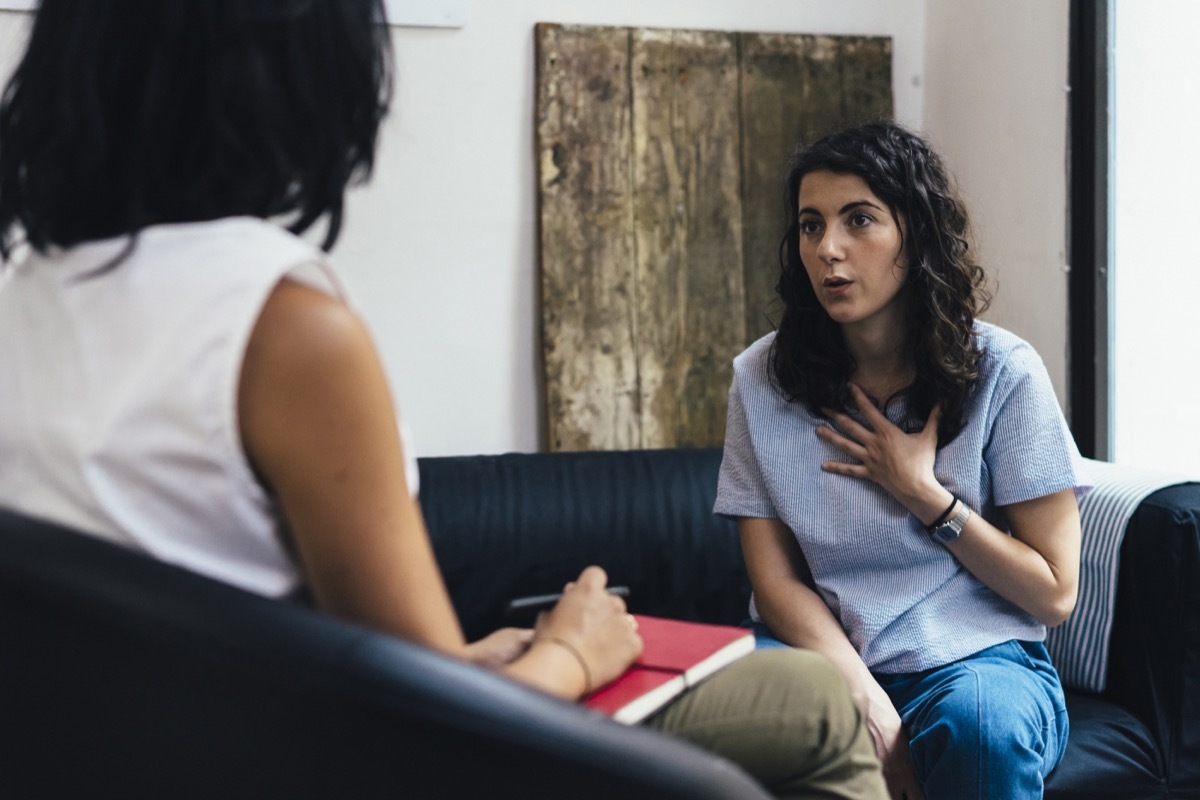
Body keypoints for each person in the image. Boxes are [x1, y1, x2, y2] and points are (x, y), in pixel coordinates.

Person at [0, 2, 887, 797]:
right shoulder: (283, 329)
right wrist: (572, 651)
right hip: (303, 759)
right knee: (812, 701)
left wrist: (470, 658)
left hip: (152, 749)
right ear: (303, 78)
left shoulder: (26, 290)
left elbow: (247, 623)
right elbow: (423, 729)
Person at [715, 121, 1089, 800]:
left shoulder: (1005, 372)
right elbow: (775, 583)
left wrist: (924, 494)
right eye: (810, 224)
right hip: (818, 656)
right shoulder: (760, 380)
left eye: (859, 220)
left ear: (915, 233)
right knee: (711, 730)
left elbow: (1055, 593)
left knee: (982, 728)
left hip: (975, 661)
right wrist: (858, 692)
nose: (828, 249)